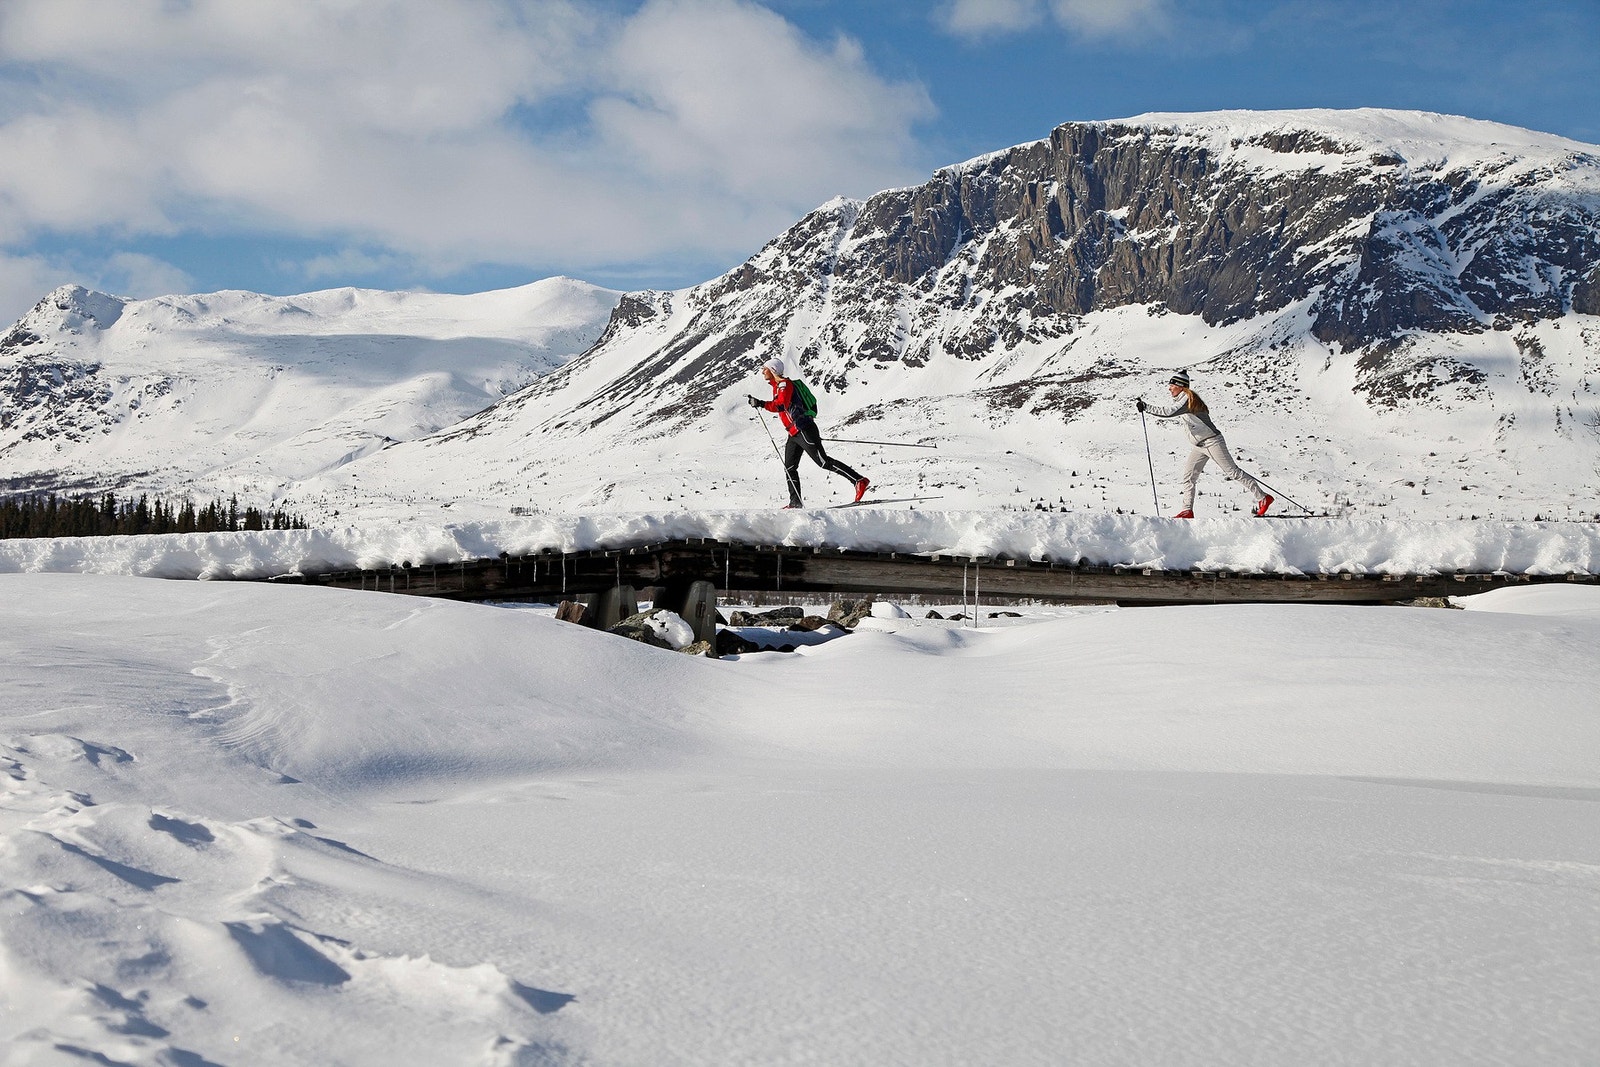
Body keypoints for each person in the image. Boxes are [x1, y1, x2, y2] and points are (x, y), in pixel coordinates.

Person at [1138, 370, 1272, 518]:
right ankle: (1187, 510)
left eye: (1172, 385)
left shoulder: (1187, 398)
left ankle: (1263, 497)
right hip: (1199, 446)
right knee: (1189, 477)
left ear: (1180, 386)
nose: (1169, 388)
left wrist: (1146, 407)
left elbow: (1169, 412)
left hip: (1212, 441)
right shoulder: (1184, 399)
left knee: (1232, 472)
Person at [747, 357, 869, 508]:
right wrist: (761, 403)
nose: (762, 371)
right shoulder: (777, 386)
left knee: (823, 462)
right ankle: (795, 502)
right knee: (790, 468)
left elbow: (781, 405)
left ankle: (858, 480)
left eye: (764, 368)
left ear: (773, 370)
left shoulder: (784, 385)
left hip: (803, 428)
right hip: (793, 433)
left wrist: (761, 403)